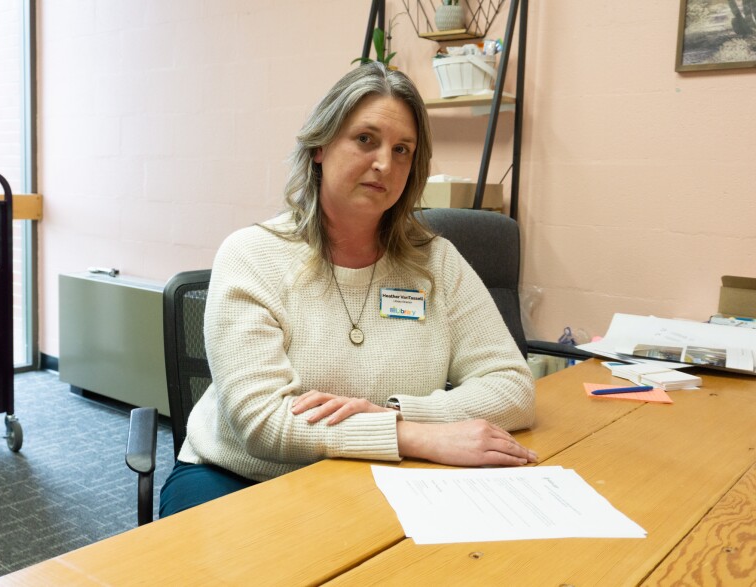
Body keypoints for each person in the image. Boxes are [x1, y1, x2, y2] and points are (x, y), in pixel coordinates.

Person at [159, 62, 536, 517]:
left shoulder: (437, 262)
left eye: (402, 150)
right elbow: (260, 422)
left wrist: (397, 414)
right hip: (242, 476)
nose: (384, 163)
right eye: (365, 140)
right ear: (320, 146)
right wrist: (408, 433)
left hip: (380, 474)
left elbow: (513, 388)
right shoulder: (252, 255)